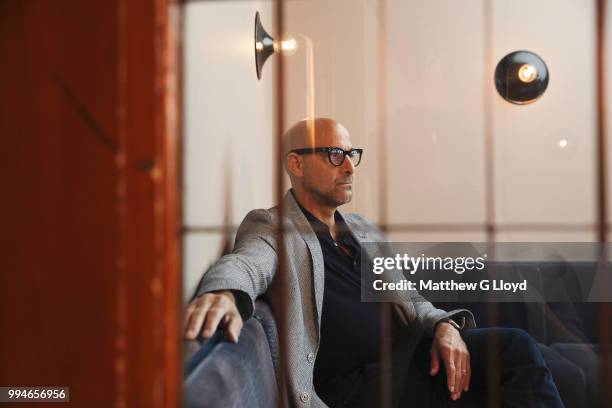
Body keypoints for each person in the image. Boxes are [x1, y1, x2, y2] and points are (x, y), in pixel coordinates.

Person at [184, 118, 564, 407]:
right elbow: (249, 261)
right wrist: (225, 291)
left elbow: (410, 299)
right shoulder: (274, 226)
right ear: (296, 164)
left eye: (352, 155)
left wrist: (444, 328)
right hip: (356, 386)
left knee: (514, 350)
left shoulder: (364, 230)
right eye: (335, 155)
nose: (349, 167)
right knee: (514, 358)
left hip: (410, 356)